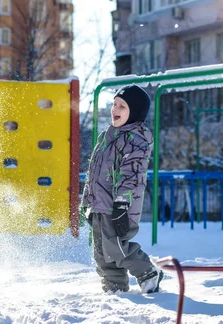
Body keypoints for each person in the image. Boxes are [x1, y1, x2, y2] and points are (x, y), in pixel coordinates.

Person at [81, 85, 163, 294]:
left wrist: (121, 203)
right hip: (100, 204)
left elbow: (131, 176)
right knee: (101, 252)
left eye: (122, 106)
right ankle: (114, 288)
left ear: (134, 112)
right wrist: (87, 201)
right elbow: (94, 171)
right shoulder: (107, 136)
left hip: (117, 205)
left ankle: (148, 271)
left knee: (115, 248)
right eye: (114, 104)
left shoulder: (135, 140)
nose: (115, 109)